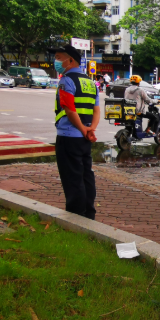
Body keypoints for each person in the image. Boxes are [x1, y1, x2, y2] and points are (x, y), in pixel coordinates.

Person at [48, 44, 99, 220]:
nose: (56, 61)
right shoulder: (91, 82)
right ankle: (89, 212)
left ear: (70, 60)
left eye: (59, 58)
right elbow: (96, 110)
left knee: (72, 178)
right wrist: (90, 129)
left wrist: (82, 128)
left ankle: (77, 216)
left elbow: (69, 109)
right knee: (86, 174)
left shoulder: (66, 81)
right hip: (84, 137)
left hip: (68, 136)